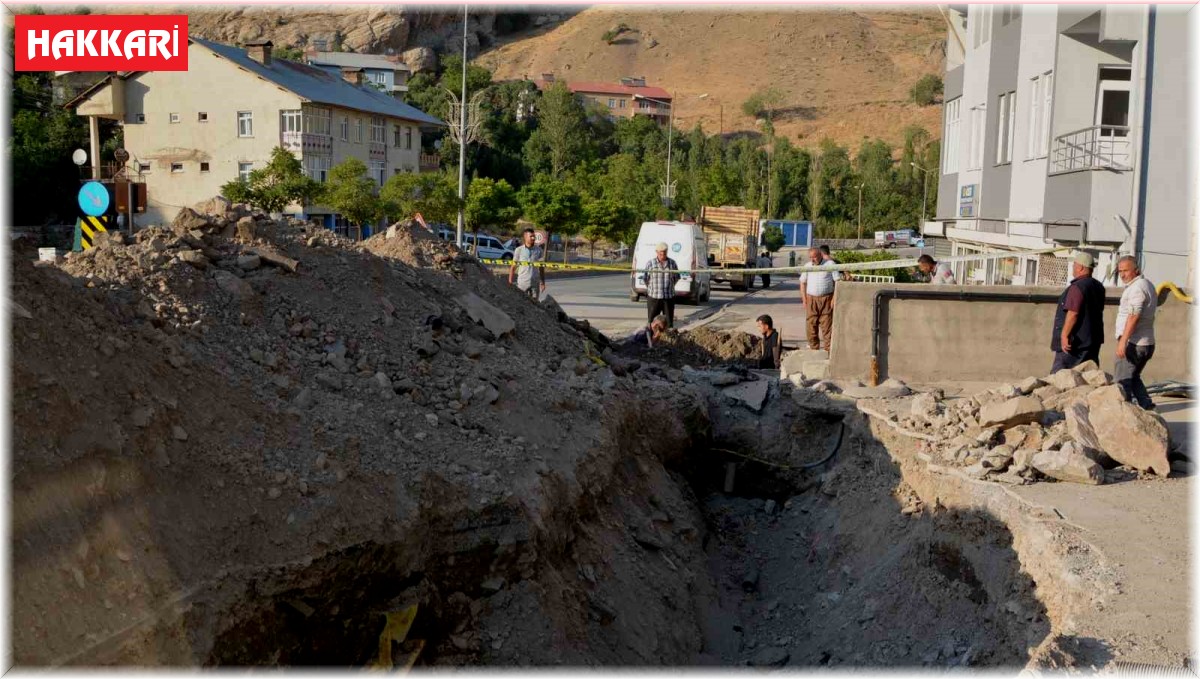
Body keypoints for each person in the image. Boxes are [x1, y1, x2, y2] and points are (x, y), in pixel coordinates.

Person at [1114, 255, 1157, 410]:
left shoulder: (1137, 288)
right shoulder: (1147, 284)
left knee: (1123, 381)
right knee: (1133, 377)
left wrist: (1123, 341)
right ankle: (1147, 406)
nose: (1123, 275)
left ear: (1136, 270)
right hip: (1146, 343)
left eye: (1126, 270)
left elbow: (1134, 316)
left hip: (1134, 343)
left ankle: (1125, 416)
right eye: (1120, 271)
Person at [1051, 251, 1106, 372]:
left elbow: (1073, 313)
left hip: (1075, 344)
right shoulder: (1098, 287)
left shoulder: (1077, 287)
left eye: (1074, 265)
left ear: (1080, 267)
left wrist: (1064, 335)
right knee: (1087, 378)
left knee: (1059, 377)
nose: (1073, 267)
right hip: (1092, 342)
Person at [800, 247, 837, 353]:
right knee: (811, 325)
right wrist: (804, 299)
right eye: (810, 257)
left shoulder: (830, 264)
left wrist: (834, 298)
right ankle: (814, 349)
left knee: (827, 326)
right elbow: (802, 283)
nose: (812, 260)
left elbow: (837, 282)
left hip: (827, 299)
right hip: (811, 299)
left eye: (814, 257)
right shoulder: (807, 266)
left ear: (820, 255)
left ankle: (829, 351)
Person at [644, 242, 680, 328]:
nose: (662, 254)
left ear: (667, 252)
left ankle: (668, 339)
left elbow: (677, 277)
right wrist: (652, 288)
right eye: (660, 252)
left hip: (668, 297)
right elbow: (645, 278)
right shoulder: (650, 263)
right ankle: (651, 339)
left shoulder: (672, 263)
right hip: (654, 297)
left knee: (668, 322)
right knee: (651, 322)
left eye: (664, 252)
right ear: (656, 252)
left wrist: (670, 286)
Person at [508, 228, 546, 300]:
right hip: (522, 283)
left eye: (534, 236)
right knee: (522, 303)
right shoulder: (519, 250)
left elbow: (541, 268)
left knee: (535, 304)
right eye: (531, 236)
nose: (533, 238)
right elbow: (513, 266)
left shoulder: (539, 250)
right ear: (525, 237)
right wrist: (510, 281)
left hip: (534, 282)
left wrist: (542, 282)